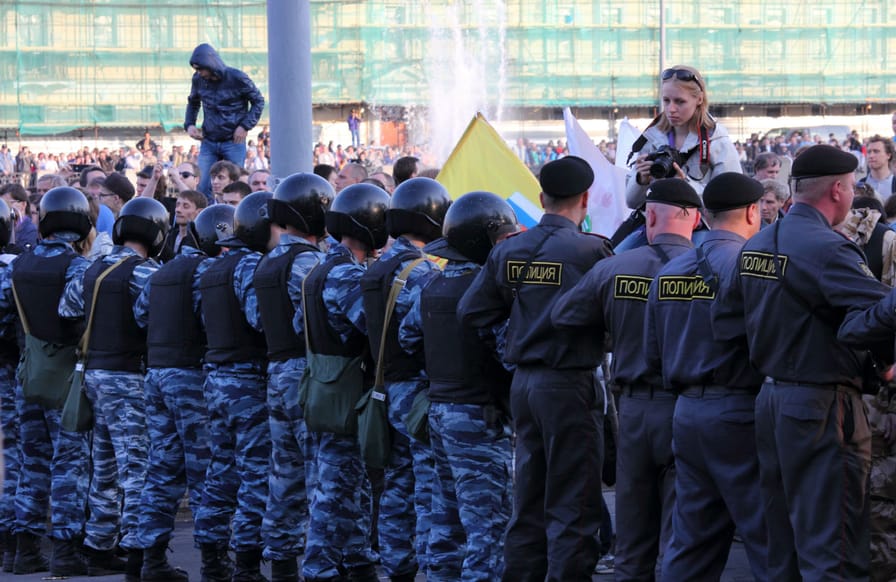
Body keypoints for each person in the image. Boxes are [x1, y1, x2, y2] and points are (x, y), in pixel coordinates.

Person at [712, 145, 892, 580]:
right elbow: (881, 314)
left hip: (771, 402)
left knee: (784, 545)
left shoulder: (756, 244)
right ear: (838, 190)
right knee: (835, 545)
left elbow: (725, 322)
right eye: (851, 188)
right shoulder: (830, 248)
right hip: (821, 406)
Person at [457, 157, 613, 581]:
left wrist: (522, 328)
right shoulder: (591, 251)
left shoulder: (509, 248)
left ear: (542, 199)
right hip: (571, 383)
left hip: (524, 383)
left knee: (528, 498)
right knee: (574, 501)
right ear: (585, 199)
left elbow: (472, 312)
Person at [551, 178, 701, 581]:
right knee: (680, 536)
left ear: (648, 218)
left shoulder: (614, 267)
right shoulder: (707, 269)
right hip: (686, 406)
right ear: (695, 220)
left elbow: (564, 317)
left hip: (633, 411)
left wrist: (616, 331)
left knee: (632, 538)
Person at [644, 173, 768, 581]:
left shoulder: (670, 272)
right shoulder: (750, 267)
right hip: (739, 410)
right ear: (753, 212)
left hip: (686, 411)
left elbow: (652, 353)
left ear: (706, 216)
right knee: (768, 537)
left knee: (692, 541)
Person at [400, 191, 518, 581]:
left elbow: (407, 338)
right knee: (487, 525)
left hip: (439, 411)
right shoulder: (487, 291)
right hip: (478, 416)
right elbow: (509, 355)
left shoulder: (430, 286)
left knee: (446, 517)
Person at [59, 197, 169, 581]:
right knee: (136, 465)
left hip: (93, 374)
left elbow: (67, 309)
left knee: (103, 465)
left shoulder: (93, 268)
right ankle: (138, 551)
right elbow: (150, 318)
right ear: (156, 233)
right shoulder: (145, 272)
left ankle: (98, 546)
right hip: (127, 376)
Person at [131, 204, 234, 581]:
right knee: (206, 471)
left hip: (157, 375)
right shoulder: (206, 271)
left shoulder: (161, 271)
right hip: (191, 376)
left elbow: (141, 315)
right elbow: (213, 320)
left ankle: (151, 558)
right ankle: (214, 562)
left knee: (162, 469)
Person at [360, 177, 450, 581]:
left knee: (396, 482)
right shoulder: (420, 270)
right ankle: (430, 567)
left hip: (386, 387)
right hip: (417, 391)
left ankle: (397, 565)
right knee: (428, 484)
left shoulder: (377, 267)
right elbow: (427, 333)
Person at [300, 183, 388, 582]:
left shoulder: (316, 271)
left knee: (349, 480)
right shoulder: (345, 274)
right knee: (337, 486)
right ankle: (318, 567)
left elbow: (298, 325)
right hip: (345, 391)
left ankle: (357, 558)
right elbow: (372, 327)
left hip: (323, 385)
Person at [2, 189, 91, 576]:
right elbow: (77, 314)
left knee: (31, 461)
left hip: (29, 373)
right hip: (66, 376)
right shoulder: (77, 266)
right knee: (69, 461)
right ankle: (66, 550)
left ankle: (24, 550)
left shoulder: (19, 265)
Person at [252, 174, 330, 582]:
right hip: (305, 372)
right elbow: (312, 319)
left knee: (284, 473)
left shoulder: (267, 261)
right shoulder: (306, 261)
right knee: (320, 472)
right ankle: (320, 565)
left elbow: (255, 318)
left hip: (277, 371)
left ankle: (282, 562)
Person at [195, 191, 273, 582]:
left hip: (216, 380)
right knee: (255, 474)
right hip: (246, 382)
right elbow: (260, 320)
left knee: (220, 472)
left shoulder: (210, 269)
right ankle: (246, 563)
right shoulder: (249, 266)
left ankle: (212, 559)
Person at [625, 65, 742, 210]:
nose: (671, 109)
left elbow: (732, 200)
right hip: (656, 222)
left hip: (699, 224)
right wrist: (641, 180)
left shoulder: (717, 142)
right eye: (666, 100)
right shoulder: (651, 138)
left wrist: (686, 188)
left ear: (699, 99)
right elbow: (631, 202)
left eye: (680, 101)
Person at [185, 43, 265, 203]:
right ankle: (206, 215)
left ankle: (235, 214)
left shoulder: (237, 78)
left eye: (201, 69)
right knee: (203, 185)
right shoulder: (198, 80)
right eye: (197, 70)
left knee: (235, 185)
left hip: (233, 140)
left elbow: (258, 101)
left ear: (210, 64)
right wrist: (190, 124)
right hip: (209, 139)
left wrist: (245, 126)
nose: (199, 73)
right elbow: (193, 102)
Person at [160, 189, 206, 262]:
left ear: (200, 212)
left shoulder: (201, 242)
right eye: (177, 205)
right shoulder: (169, 235)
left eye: (186, 206)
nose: (178, 210)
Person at [0, 184, 38, 250]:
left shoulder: (31, 230)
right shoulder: (5, 224)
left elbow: (25, 253)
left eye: (9, 202)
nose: (4, 206)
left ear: (23, 204)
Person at [858, 135, 895, 201]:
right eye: (869, 152)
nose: (871, 156)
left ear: (888, 155)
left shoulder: (894, 184)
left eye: (876, 151)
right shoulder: (860, 184)